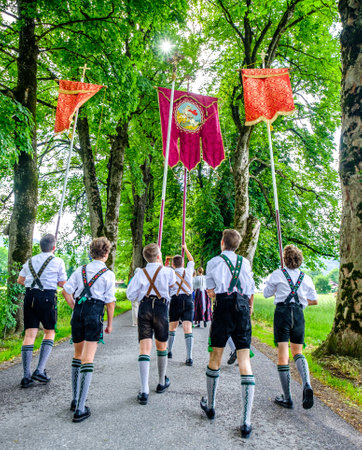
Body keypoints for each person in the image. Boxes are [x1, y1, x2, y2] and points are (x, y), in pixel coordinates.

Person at [200, 229, 255, 439]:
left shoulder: (213, 262)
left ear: (222, 242)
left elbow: (211, 291)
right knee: (244, 362)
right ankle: (246, 422)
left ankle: (211, 406)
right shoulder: (246, 263)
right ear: (237, 245)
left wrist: (214, 292)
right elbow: (249, 290)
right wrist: (247, 309)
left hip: (223, 307)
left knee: (215, 357)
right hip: (241, 307)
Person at [62, 237, 115, 423]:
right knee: (88, 358)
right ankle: (80, 407)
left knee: (77, 355)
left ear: (91, 252)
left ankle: (75, 398)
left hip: (78, 312)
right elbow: (110, 302)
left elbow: (66, 291)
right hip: (94, 314)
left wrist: (74, 307)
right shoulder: (108, 274)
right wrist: (109, 324)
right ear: (106, 254)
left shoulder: (80, 270)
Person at [263, 244, 318, 410]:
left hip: (282, 314)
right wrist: (300, 301)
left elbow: (266, 293)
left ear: (285, 260)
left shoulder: (278, 274)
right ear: (299, 260)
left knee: (282, 356)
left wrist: (276, 285)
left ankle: (287, 398)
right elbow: (314, 300)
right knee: (298, 352)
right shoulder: (306, 278)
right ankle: (306, 383)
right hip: (299, 315)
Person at [126, 243, 176, 405]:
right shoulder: (168, 271)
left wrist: (142, 293)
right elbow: (172, 285)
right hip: (161, 308)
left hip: (145, 307)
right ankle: (161, 382)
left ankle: (143, 390)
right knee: (162, 346)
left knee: (144, 349)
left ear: (145, 257)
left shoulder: (141, 273)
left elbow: (130, 294)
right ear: (159, 256)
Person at [17, 234, 67, 388]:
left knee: (29, 334)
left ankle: (26, 376)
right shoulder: (57, 261)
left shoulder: (30, 260)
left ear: (40, 246)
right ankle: (39, 370)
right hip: (47, 297)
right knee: (49, 332)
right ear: (54, 247)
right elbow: (63, 283)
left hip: (30, 297)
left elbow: (20, 280)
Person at [167, 244, 195, 365]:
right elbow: (191, 260)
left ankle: (169, 351)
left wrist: (166, 262)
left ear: (173, 264)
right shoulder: (188, 271)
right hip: (188, 300)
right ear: (183, 263)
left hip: (175, 300)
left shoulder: (170, 273)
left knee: (172, 327)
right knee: (187, 328)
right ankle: (189, 357)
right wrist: (185, 248)